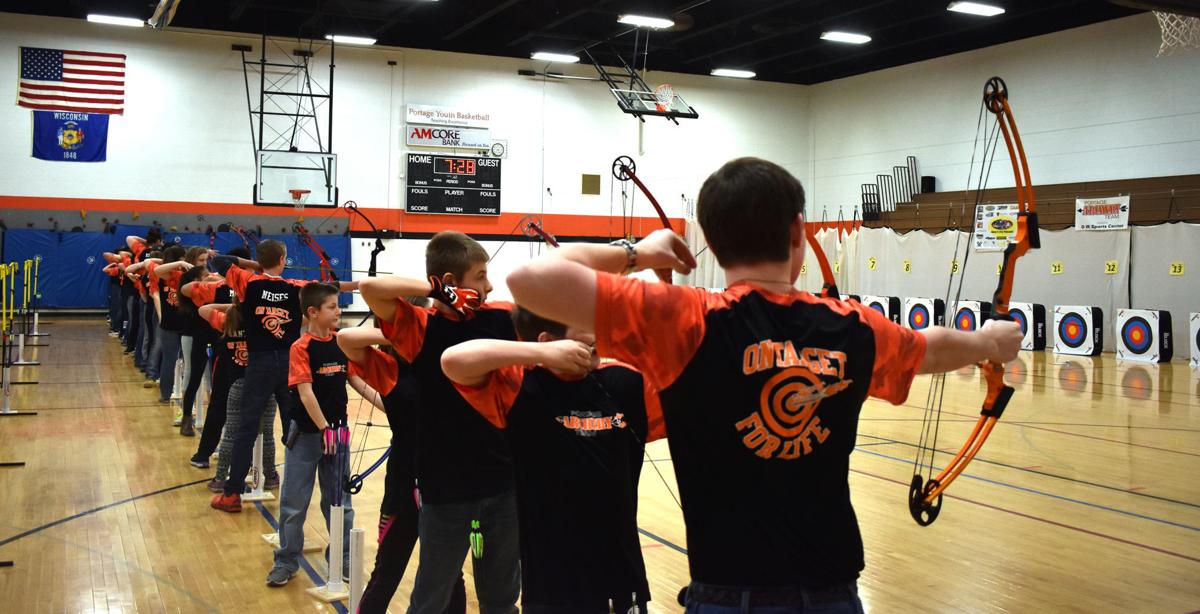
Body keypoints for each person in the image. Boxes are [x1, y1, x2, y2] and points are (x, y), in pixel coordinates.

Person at [506, 157, 1023, 613]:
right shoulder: (853, 327)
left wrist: (637, 253)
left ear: (709, 240)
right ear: (799, 232)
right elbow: (927, 347)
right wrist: (988, 342)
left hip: (728, 592)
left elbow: (530, 282)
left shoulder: (687, 320)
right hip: (831, 591)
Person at [441, 307, 661, 614]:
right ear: (549, 341)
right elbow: (453, 361)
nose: (596, 335)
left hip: (621, 578)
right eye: (585, 327)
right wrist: (539, 353)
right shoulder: (522, 386)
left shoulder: (627, 382)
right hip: (550, 584)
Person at [359, 231, 520, 614]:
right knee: (431, 599)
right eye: (480, 275)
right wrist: (437, 293)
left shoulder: (499, 316)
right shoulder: (421, 327)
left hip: (503, 482)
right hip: (445, 489)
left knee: (501, 601)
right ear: (450, 282)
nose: (489, 284)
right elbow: (371, 288)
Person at [209, 240, 357, 512]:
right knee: (295, 428)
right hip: (290, 363)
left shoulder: (248, 281)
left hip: (260, 364)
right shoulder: (294, 287)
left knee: (247, 428)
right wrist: (358, 285)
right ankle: (295, 489)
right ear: (283, 258)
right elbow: (329, 290)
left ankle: (232, 494)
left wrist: (254, 265)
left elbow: (217, 263)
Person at [337, 320, 467, 614]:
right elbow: (347, 338)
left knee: (452, 578)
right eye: (419, 323)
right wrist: (404, 331)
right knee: (386, 574)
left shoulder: (445, 368)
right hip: (402, 490)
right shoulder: (391, 371)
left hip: (443, 489)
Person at [267, 282, 374, 587]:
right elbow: (306, 393)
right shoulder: (300, 348)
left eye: (338, 306)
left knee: (339, 502)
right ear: (312, 312)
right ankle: (287, 559)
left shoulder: (341, 342)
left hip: (337, 435)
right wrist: (324, 428)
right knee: (294, 502)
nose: (339, 311)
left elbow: (355, 380)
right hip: (308, 435)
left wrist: (386, 405)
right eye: (332, 307)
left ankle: (341, 558)